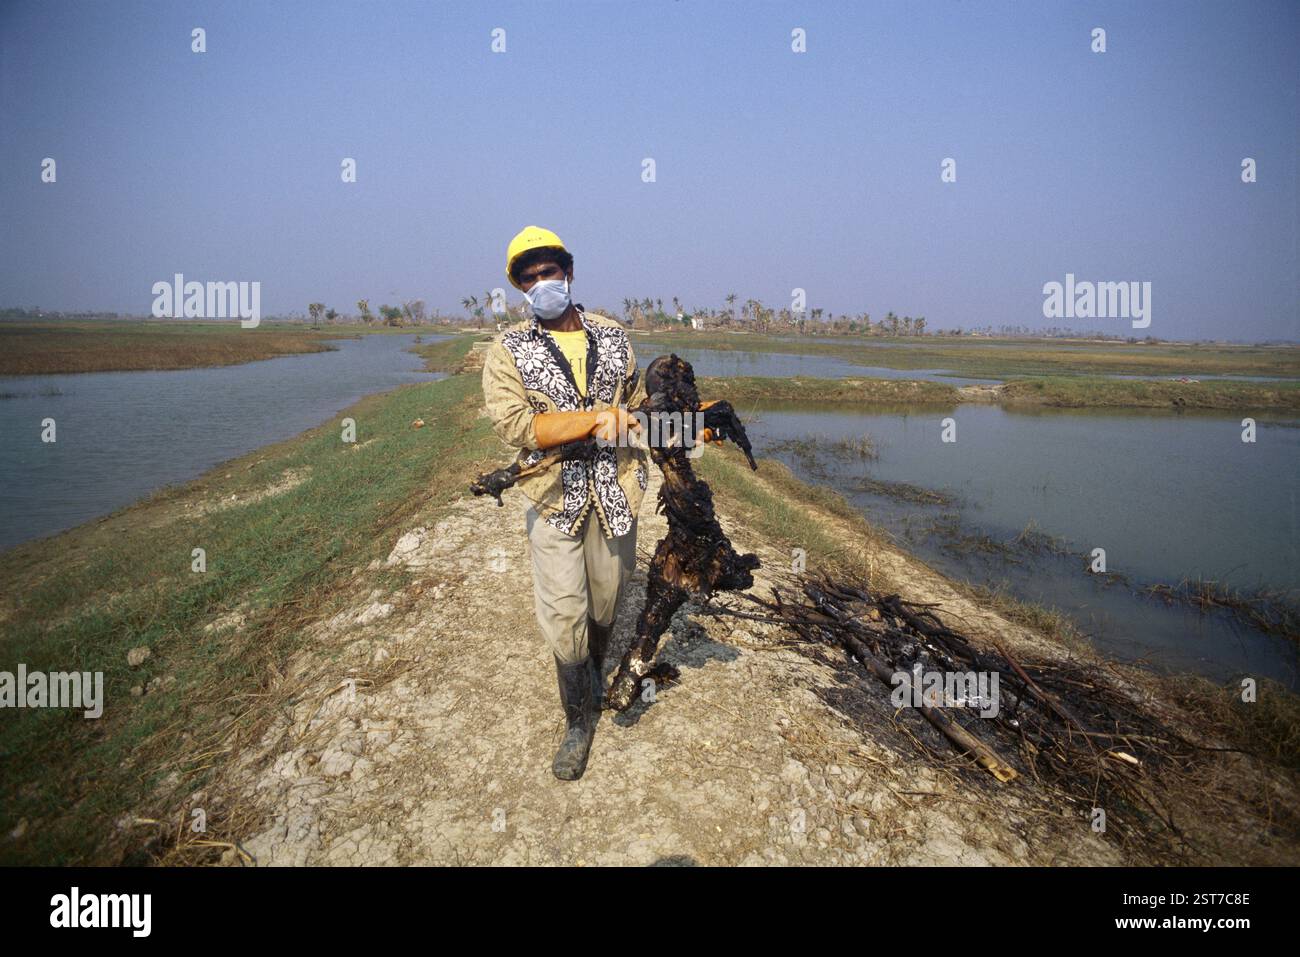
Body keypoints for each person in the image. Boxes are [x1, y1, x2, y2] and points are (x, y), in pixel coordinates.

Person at [481, 226, 651, 780]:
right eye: (527, 277)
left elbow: (638, 404)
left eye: (547, 271)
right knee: (564, 613)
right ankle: (578, 723)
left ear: (568, 272)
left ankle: (595, 680)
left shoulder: (614, 335)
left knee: (607, 601)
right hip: (553, 497)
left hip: (617, 491)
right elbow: (515, 424)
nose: (539, 282)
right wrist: (595, 419)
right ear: (517, 287)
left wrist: (686, 421)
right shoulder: (508, 349)